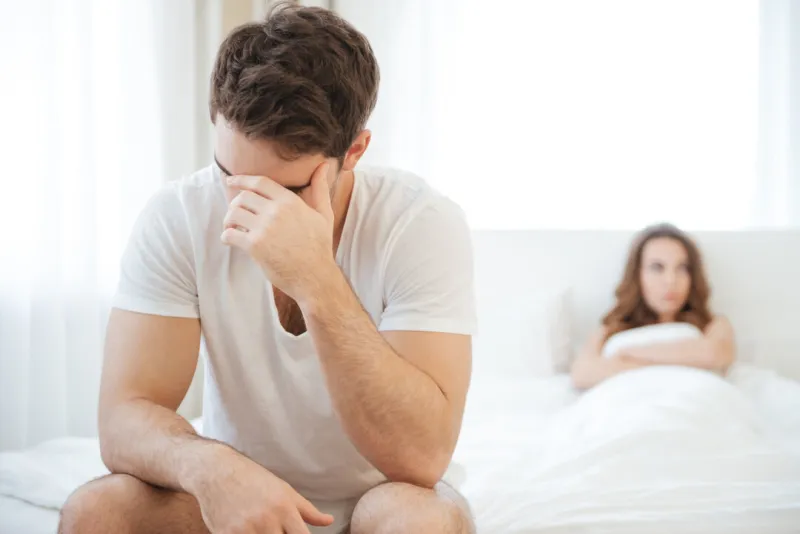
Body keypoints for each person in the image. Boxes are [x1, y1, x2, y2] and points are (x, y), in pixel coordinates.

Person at [58, 4, 477, 534]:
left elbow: (420, 459)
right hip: (243, 500)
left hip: (382, 498)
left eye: (286, 189)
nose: (246, 205)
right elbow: (123, 419)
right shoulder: (178, 215)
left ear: (354, 151)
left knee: (420, 519)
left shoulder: (420, 223)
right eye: (228, 174)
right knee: (97, 513)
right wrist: (211, 468)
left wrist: (316, 280)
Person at [570, 223, 736, 390]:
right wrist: (683, 362)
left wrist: (629, 354)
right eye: (657, 268)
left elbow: (714, 353)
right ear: (638, 275)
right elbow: (582, 374)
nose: (670, 280)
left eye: (682, 268)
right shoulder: (610, 328)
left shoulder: (712, 324)